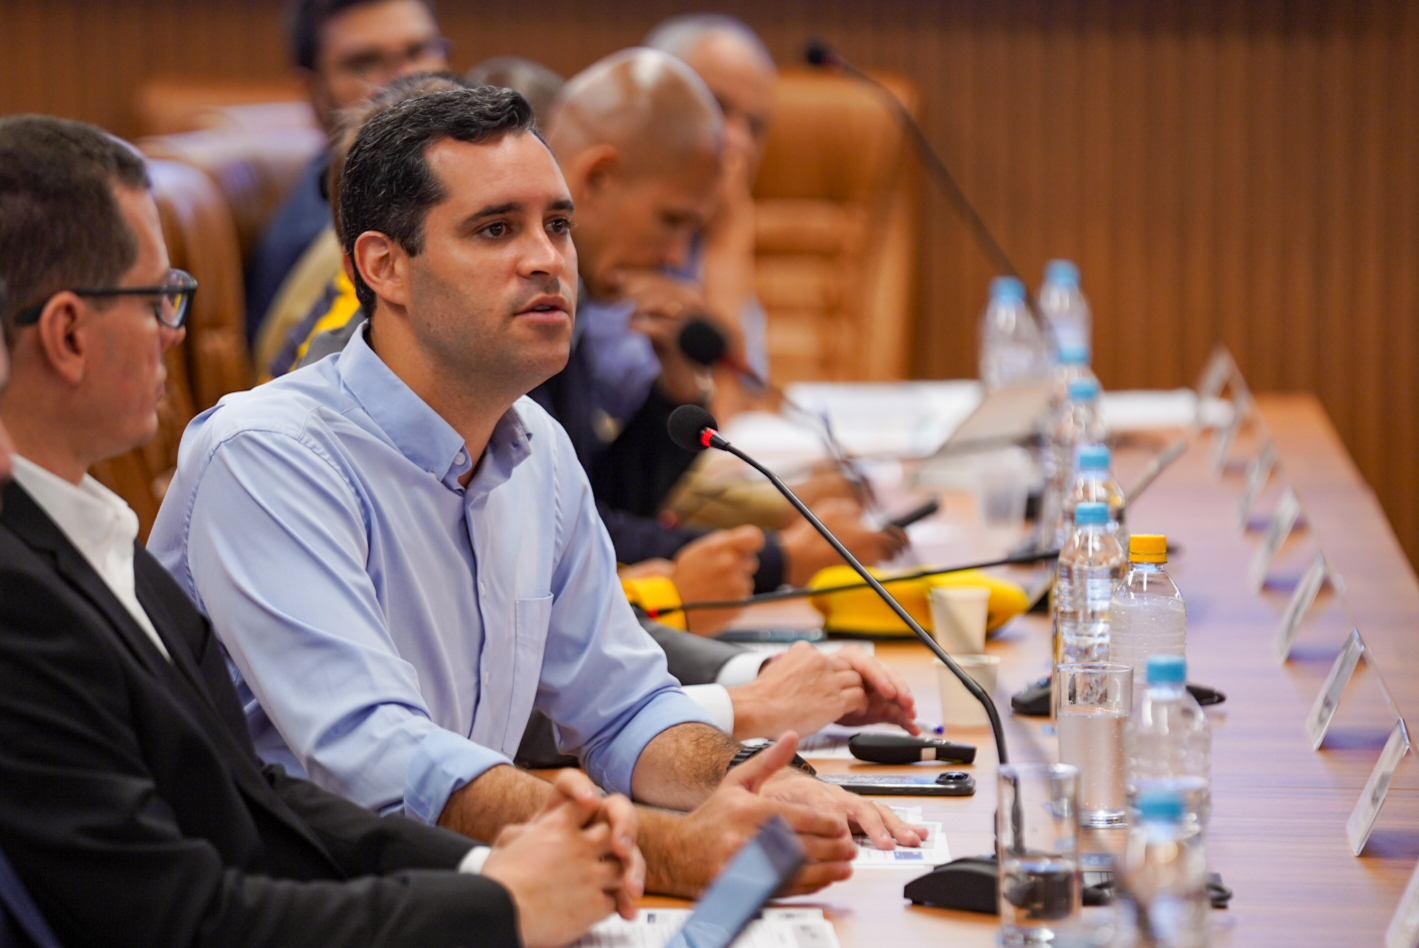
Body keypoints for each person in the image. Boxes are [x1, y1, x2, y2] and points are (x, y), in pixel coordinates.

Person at [150, 85, 926, 899]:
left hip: (463, 896)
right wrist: (667, 850)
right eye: (495, 229)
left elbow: (624, 709)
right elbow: (377, 760)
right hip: (303, 908)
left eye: (557, 225)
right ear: (384, 267)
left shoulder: (537, 448)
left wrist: (755, 783)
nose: (546, 258)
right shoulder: (268, 457)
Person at [0, 113, 641, 948]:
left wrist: (489, 869)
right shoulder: (21, 597)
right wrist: (500, 907)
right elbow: (175, 919)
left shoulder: (101, 542)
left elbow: (259, 804)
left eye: (557, 226)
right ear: (67, 334)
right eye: (158, 298)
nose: (176, 329)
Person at [537, 50, 906, 608]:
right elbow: (563, 540)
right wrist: (780, 559)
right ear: (598, 177)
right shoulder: (519, 306)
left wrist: (676, 391)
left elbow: (595, 500)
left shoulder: (573, 295)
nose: (674, 256)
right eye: (671, 221)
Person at [247, 0, 450, 349]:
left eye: (418, 51)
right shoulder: (323, 238)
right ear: (311, 89)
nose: (406, 77)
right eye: (365, 62)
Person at [644, 14, 777, 420]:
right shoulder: (615, 249)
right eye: (716, 106)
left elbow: (741, 402)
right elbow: (711, 420)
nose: (738, 142)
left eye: (755, 126)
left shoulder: (710, 231)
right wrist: (728, 242)